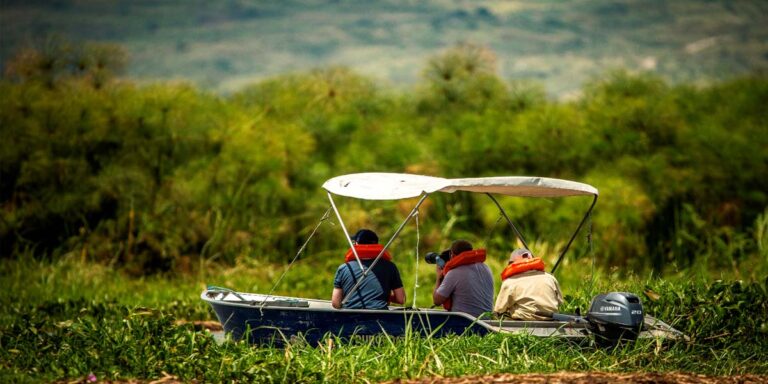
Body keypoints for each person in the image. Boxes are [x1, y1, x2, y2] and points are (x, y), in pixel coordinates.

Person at [332, 229, 406, 309]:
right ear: (376, 245)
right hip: (380, 317)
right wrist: (386, 297)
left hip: (351, 317)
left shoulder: (344, 268)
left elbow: (336, 303)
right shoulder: (390, 267)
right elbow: (401, 299)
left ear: (356, 244)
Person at [493, 248, 563, 320]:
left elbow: (498, 311)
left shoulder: (509, 282)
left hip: (522, 326)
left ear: (511, 264)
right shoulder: (550, 278)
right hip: (551, 323)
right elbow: (560, 302)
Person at [432, 239, 494, 318]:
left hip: (464, 321)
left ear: (452, 254)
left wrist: (438, 277)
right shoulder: (486, 268)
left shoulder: (454, 273)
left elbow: (437, 301)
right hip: (487, 320)